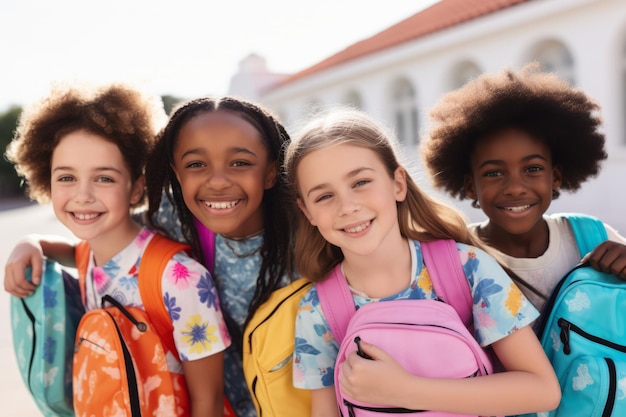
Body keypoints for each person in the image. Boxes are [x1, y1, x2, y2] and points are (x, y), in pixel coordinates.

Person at [5, 95, 298, 417]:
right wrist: (33, 243)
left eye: (104, 178)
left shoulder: (182, 278)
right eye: (66, 178)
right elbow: (96, 251)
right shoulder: (161, 219)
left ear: (135, 188)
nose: (83, 195)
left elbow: (209, 401)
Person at [284, 108, 561, 417]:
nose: (348, 206)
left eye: (361, 182)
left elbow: (542, 391)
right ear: (307, 212)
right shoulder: (317, 309)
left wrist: (405, 391)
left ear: (398, 183)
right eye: (324, 197)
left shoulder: (467, 268)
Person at [420, 64, 626, 313]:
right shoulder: (457, 258)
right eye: (493, 173)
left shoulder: (591, 236)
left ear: (556, 176)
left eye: (533, 169)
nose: (515, 188)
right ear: (470, 186)